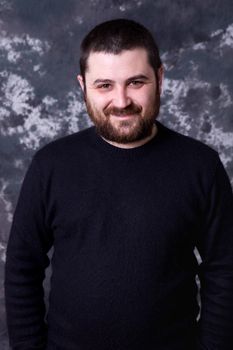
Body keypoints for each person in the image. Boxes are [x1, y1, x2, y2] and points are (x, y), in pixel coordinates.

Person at [5, 18, 233, 350]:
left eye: (136, 82)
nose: (122, 100)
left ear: (160, 77)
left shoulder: (201, 166)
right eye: (105, 85)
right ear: (83, 86)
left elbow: (225, 270)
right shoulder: (51, 165)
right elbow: (22, 269)